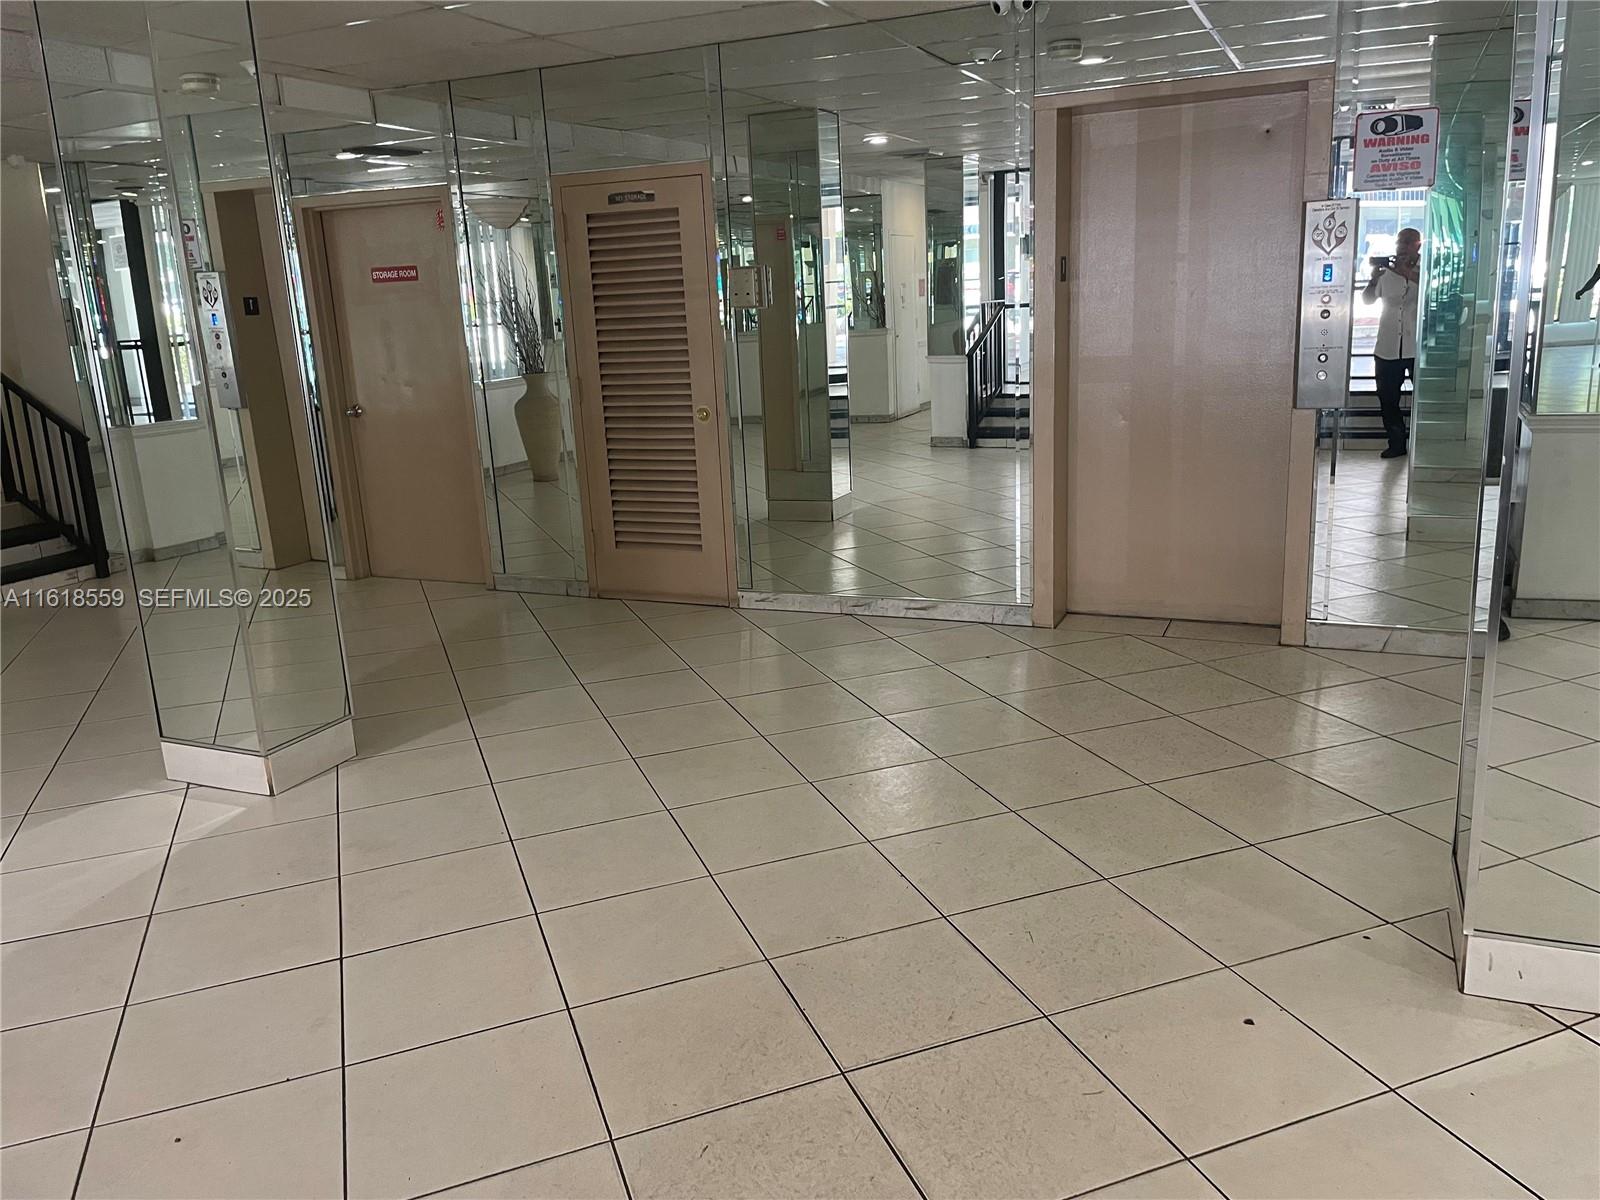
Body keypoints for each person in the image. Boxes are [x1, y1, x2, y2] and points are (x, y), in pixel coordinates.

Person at [1364, 227, 1422, 459]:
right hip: (1387, 346)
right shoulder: (1385, 273)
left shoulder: (1424, 271)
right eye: (1400, 241)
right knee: (1387, 398)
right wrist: (1373, 279)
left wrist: (1406, 271)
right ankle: (1396, 443)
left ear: (1418, 245)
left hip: (1415, 345)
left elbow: (1431, 291)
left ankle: (1422, 443)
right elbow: (1368, 300)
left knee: (1423, 397)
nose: (1402, 246)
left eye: (1408, 241)